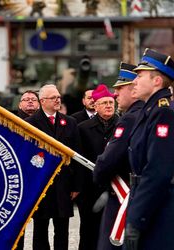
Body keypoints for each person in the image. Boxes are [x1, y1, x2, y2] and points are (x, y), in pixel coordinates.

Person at [124, 48, 174, 250]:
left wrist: (135, 219)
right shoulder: (151, 111)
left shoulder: (164, 114)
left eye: (140, 75)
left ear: (157, 81)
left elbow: (158, 172)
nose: (134, 81)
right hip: (152, 206)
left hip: (163, 209)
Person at [92, 63, 144, 250]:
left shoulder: (130, 118)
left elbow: (109, 159)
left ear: (133, 90)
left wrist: (98, 174)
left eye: (120, 89)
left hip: (123, 191)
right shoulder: (147, 113)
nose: (114, 95)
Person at [25, 84, 82, 250]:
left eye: (58, 97)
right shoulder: (31, 123)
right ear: (42, 101)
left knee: (62, 228)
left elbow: (77, 154)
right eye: (53, 98)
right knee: (40, 228)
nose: (58, 100)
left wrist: (76, 185)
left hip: (64, 184)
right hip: (41, 184)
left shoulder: (70, 122)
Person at [77, 84, 118, 250]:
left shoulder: (123, 125)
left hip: (116, 187)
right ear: (95, 106)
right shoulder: (83, 128)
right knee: (89, 230)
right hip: (90, 188)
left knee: (114, 229)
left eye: (111, 102)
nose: (109, 105)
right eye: (105, 103)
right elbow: (78, 161)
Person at [15, 90, 39, 250]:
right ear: (19, 104)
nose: (30, 102)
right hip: (19, 178)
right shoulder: (12, 120)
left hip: (39, 176)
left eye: (33, 99)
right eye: (26, 99)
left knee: (41, 224)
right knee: (18, 223)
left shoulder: (44, 122)